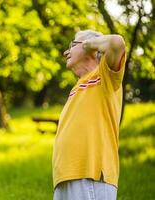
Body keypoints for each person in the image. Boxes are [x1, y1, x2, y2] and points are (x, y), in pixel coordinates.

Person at [52, 30, 126, 200]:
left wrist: (86, 45)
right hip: (65, 177)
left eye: (72, 45)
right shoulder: (79, 86)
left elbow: (117, 43)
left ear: (91, 48)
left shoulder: (105, 76)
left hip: (90, 175)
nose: (66, 52)